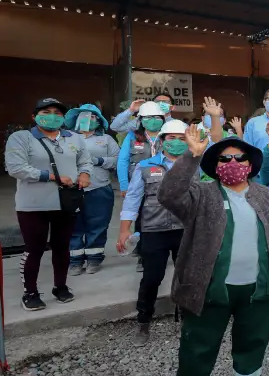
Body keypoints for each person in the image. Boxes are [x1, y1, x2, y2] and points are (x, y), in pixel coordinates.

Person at [159, 125, 269, 376]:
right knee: (196, 351)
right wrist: (191, 156)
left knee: (252, 345)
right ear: (214, 165)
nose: (231, 162)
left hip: (257, 291)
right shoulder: (202, 195)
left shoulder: (265, 196)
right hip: (209, 293)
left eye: (238, 157)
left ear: (250, 163)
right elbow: (169, 194)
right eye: (223, 158)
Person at [5, 98, 93, 310]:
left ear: (63, 117)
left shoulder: (74, 138)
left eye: (57, 112)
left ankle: (60, 287)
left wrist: (84, 173)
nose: (52, 115)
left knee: (62, 247)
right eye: (46, 111)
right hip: (33, 204)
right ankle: (30, 292)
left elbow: (85, 160)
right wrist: (51, 176)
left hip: (66, 202)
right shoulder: (21, 138)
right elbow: (16, 168)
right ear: (34, 116)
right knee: (34, 249)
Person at [118, 120, 196, 346]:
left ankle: (186, 320)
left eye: (182, 138)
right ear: (161, 141)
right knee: (152, 277)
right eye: (171, 138)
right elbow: (133, 198)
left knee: (186, 278)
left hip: (185, 230)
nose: (177, 142)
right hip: (154, 230)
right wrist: (125, 230)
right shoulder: (146, 166)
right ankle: (143, 321)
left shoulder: (195, 165)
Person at [64, 104, 119, 275]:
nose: (89, 119)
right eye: (84, 116)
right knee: (73, 225)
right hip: (72, 188)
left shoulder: (106, 140)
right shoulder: (66, 138)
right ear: (76, 119)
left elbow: (118, 160)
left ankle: (94, 259)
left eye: (93, 117)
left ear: (99, 121)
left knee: (98, 224)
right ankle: (75, 260)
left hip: (99, 188)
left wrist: (98, 161)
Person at [201, 98, 269, 186]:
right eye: (209, 114)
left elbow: (217, 140)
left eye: (219, 115)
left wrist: (238, 129)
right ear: (203, 118)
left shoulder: (231, 137)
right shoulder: (195, 137)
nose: (232, 161)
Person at [117, 101, 167, 195]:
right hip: (137, 186)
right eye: (148, 117)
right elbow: (123, 161)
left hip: (164, 186)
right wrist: (124, 185)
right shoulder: (132, 136)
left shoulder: (169, 136)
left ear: (163, 119)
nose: (153, 120)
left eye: (157, 117)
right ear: (140, 120)